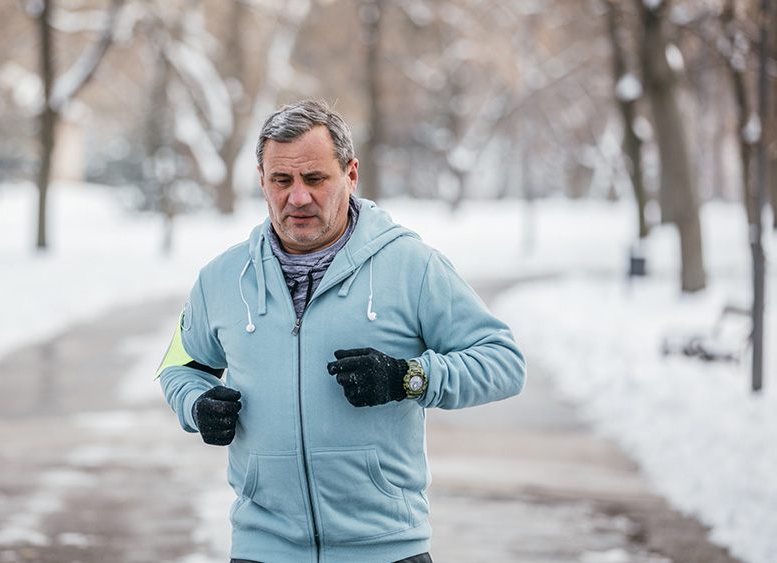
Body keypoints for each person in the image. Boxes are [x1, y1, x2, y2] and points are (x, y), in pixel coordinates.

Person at [157, 99, 526, 563]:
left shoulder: (410, 266)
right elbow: (179, 365)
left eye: (315, 179)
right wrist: (196, 403)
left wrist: (407, 377)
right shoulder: (221, 278)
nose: (298, 197)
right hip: (262, 549)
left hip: (388, 550)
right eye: (281, 180)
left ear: (350, 175)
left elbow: (504, 361)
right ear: (262, 181)